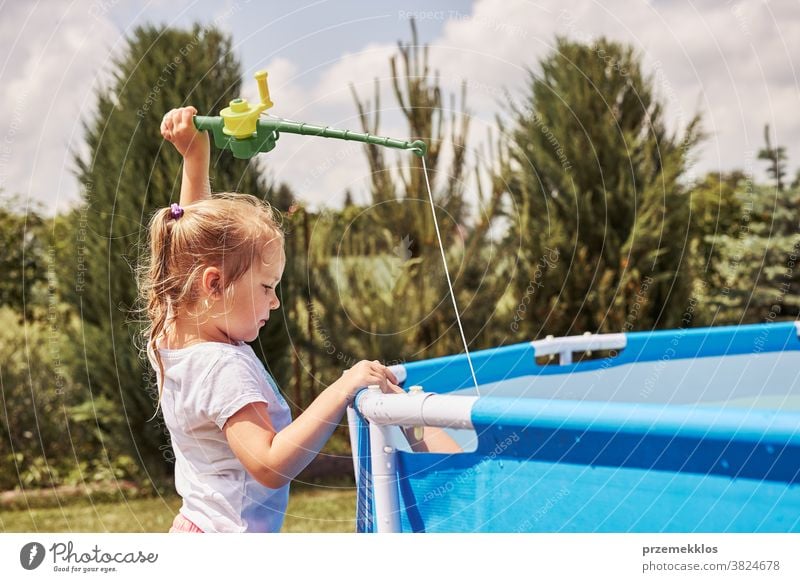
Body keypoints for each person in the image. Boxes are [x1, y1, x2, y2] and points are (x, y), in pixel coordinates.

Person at [142, 106, 459, 533]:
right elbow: (269, 463)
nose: (274, 303)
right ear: (214, 285)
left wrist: (194, 157)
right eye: (267, 287)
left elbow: (191, 254)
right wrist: (344, 386)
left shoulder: (172, 335)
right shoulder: (221, 367)